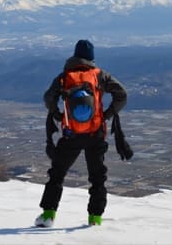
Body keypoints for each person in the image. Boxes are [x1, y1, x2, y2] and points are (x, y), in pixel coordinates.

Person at [35, 39, 127, 227]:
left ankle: (48, 215)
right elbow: (122, 94)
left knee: (57, 174)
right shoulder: (100, 76)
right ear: (91, 57)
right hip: (95, 134)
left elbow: (48, 98)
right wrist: (107, 115)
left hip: (71, 135)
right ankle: (95, 219)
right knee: (97, 177)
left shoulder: (64, 77)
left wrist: (58, 115)